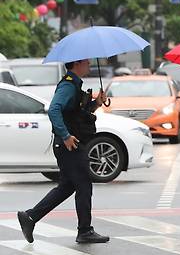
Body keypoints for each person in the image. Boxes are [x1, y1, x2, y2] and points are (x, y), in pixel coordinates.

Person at [17, 59, 110, 244]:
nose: (90, 65)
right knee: (84, 184)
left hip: (69, 144)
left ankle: (30, 217)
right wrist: (66, 135)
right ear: (78, 64)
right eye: (87, 62)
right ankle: (84, 231)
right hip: (69, 144)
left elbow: (75, 113)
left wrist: (96, 104)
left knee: (67, 186)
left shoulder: (74, 84)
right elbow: (54, 110)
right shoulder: (68, 85)